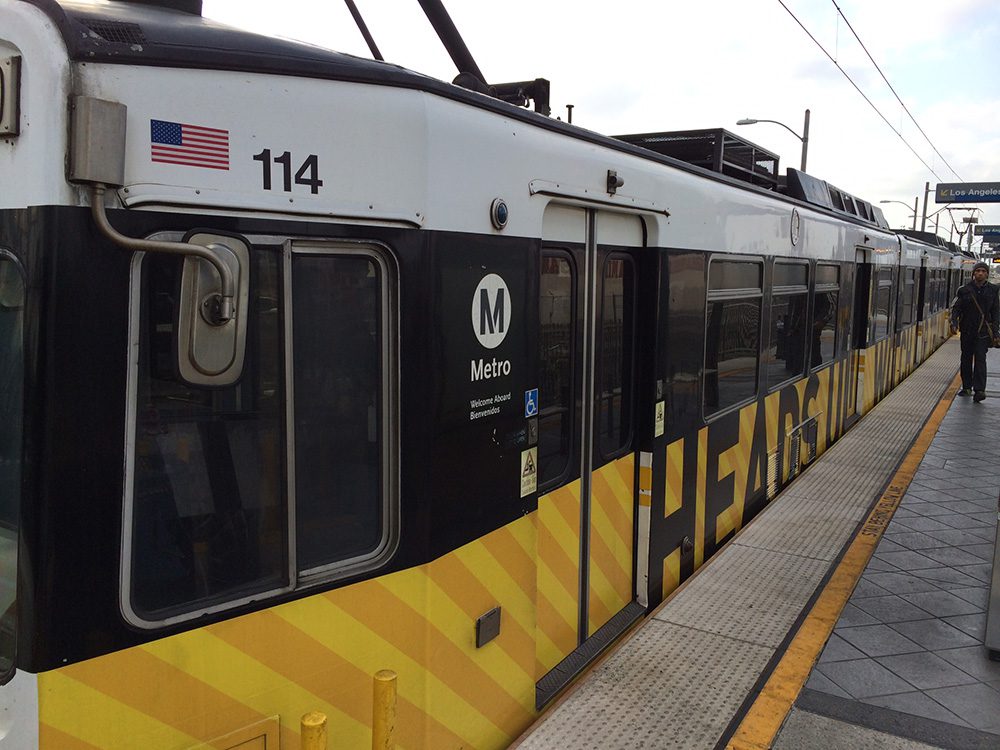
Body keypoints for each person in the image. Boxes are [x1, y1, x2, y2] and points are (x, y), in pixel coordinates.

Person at [950, 261, 1000, 402]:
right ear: (973, 273)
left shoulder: (993, 290)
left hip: (983, 331)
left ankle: (979, 390)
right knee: (966, 358)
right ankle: (966, 387)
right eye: (978, 271)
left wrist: (996, 332)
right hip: (967, 330)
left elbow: (996, 312)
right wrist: (954, 322)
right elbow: (956, 308)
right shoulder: (964, 290)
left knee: (980, 359)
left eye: (983, 271)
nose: (980, 273)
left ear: (987, 274)